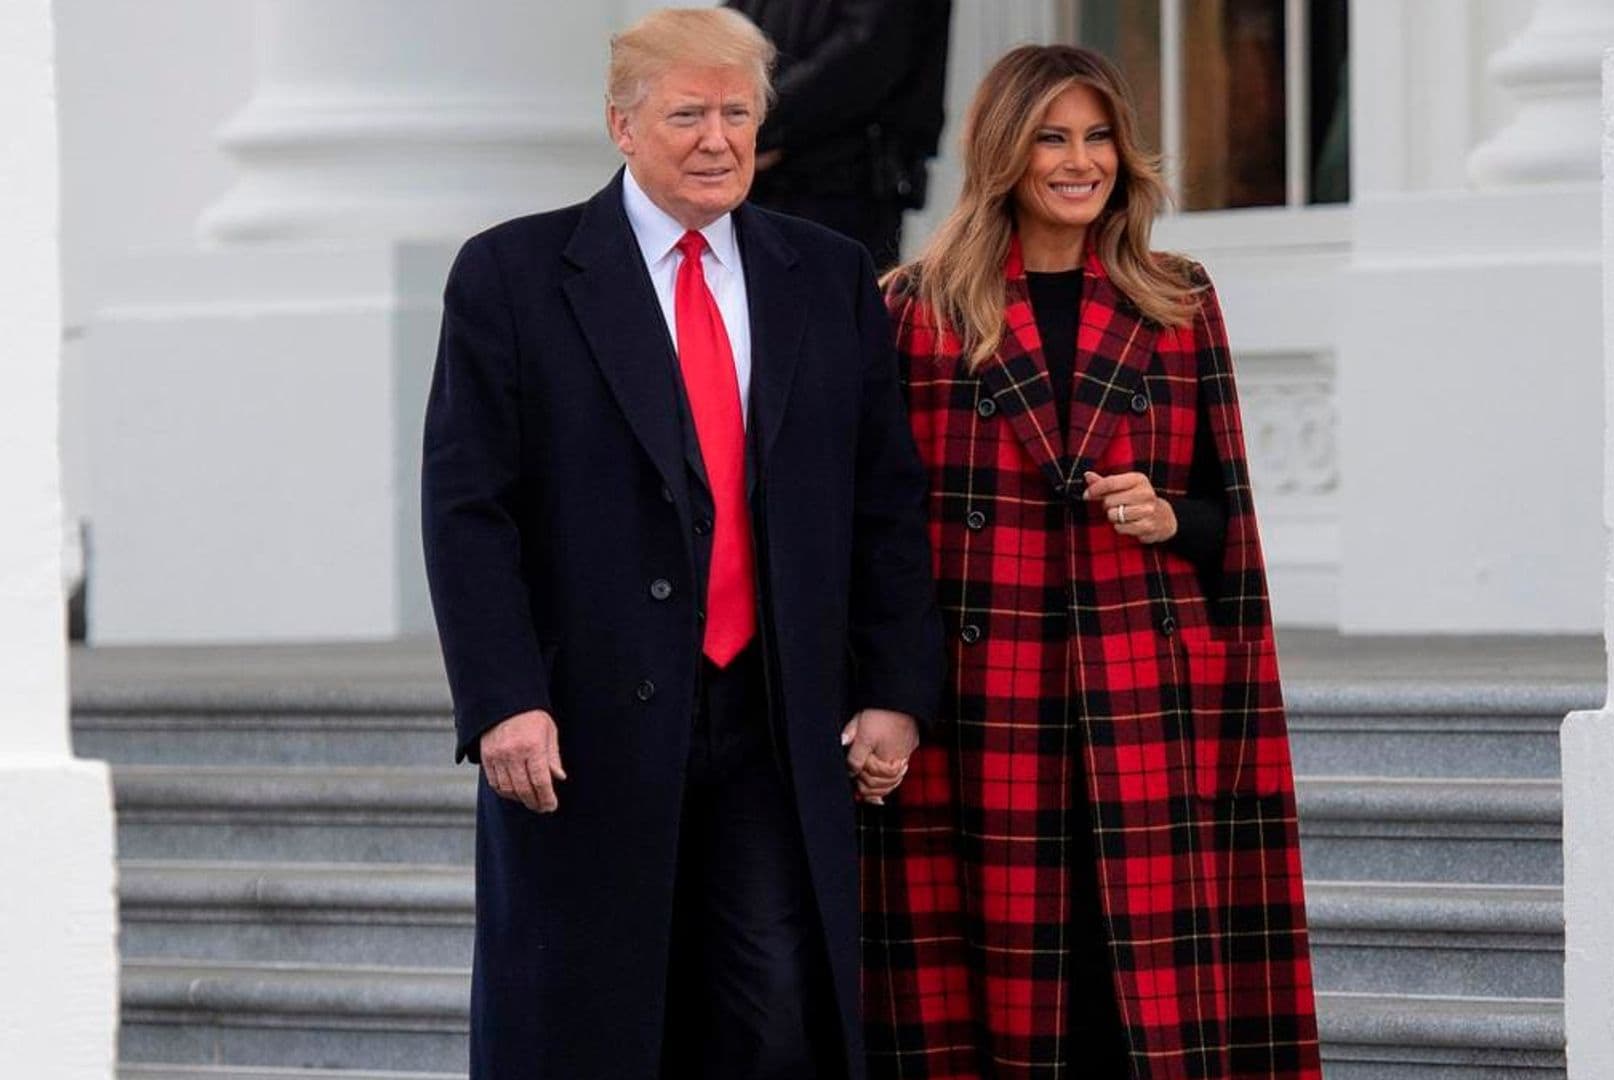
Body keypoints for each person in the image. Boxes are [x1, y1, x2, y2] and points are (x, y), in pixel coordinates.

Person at [420, 9, 942, 1079]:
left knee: (770, 1014)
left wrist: (895, 686)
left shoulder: (830, 274)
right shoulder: (511, 276)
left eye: (738, 113)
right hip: (581, 721)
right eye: (688, 114)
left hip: (775, 709)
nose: (719, 139)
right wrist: (502, 696)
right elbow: (468, 508)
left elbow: (884, 499)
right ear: (621, 125)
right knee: (593, 1021)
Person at [860, 45, 1323, 1078]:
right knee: (997, 994)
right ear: (1004, 155)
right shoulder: (917, 308)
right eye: (1052, 138)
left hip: (1142, 696)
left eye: (1099, 135)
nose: (1082, 162)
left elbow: (1225, 520)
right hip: (985, 700)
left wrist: (1168, 518)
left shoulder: (1175, 296)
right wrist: (881, 689)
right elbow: (877, 528)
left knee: (1139, 1000)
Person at [725, 0, 953, 269]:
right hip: (765, 182)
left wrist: (756, 123)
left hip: (840, 187)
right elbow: (729, 29)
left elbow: (869, 53)